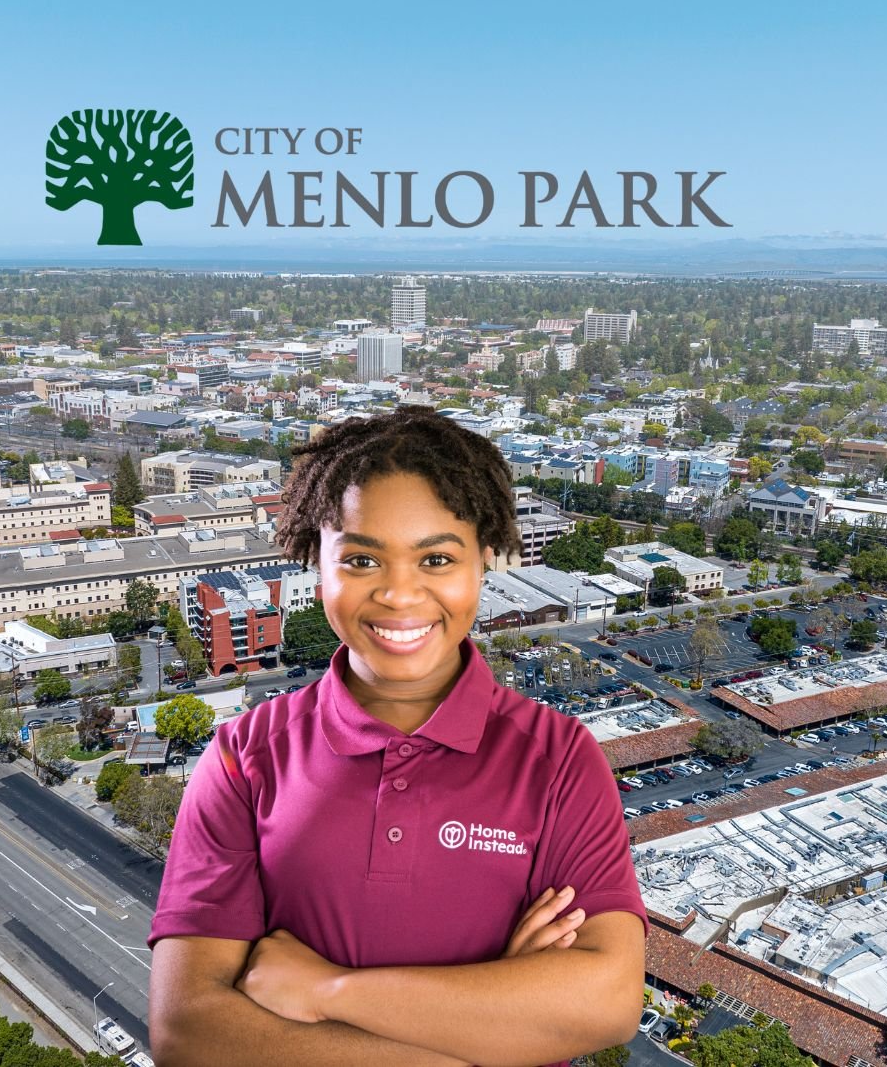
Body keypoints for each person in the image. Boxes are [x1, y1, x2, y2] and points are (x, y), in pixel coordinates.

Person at [148, 407, 647, 1066]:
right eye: (360, 560)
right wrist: (498, 1021)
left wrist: (326, 990)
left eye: (436, 558)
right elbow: (190, 1034)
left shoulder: (556, 760)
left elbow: (606, 1001)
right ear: (314, 563)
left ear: (485, 559)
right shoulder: (248, 757)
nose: (399, 595)